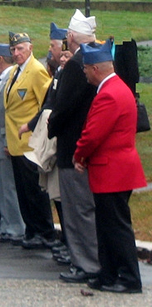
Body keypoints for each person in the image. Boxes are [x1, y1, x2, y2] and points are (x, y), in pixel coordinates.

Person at [74, 40, 146, 294]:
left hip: (112, 170)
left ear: (95, 69)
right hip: (115, 168)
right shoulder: (117, 88)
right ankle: (109, 273)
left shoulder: (109, 94)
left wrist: (79, 156)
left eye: (85, 68)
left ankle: (128, 277)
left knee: (115, 226)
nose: (83, 72)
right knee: (107, 225)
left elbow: (93, 134)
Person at [48, 9, 100, 283]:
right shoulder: (93, 61)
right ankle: (88, 260)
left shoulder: (76, 65)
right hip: (86, 145)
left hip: (73, 147)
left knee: (77, 210)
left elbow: (62, 107)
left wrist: (51, 127)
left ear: (70, 36)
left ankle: (85, 263)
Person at [4, 32, 56, 249]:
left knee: (35, 191)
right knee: (23, 191)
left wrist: (34, 128)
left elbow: (46, 105)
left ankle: (44, 231)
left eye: (20, 49)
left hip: (30, 142)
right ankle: (31, 229)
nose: (16, 54)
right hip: (16, 142)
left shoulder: (36, 71)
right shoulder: (16, 71)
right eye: (13, 50)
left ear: (31, 48)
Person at [0, 40, 25, 244]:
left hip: (6, 137)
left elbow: (8, 112)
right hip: (1, 137)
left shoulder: (10, 78)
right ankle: (8, 224)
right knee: (5, 186)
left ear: (0, 59)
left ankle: (15, 227)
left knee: (10, 187)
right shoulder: (4, 79)